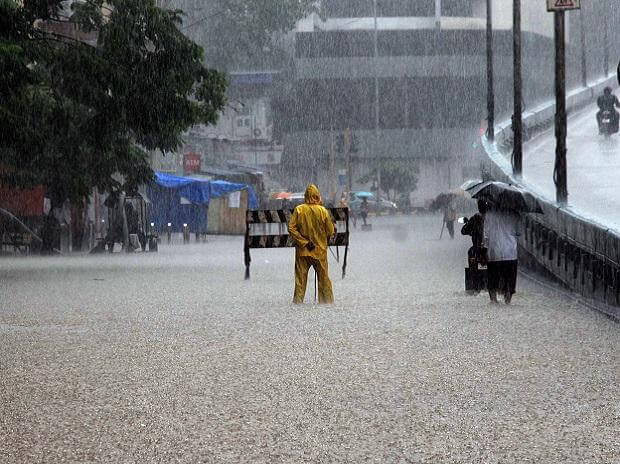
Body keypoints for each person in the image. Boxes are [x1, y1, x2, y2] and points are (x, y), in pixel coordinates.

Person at [288, 184, 335, 304]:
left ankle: (298, 304)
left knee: (300, 281)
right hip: (320, 252)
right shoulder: (323, 211)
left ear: (305, 196)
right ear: (317, 196)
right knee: (324, 280)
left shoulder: (299, 210)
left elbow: (291, 228)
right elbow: (330, 231)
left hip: (302, 252)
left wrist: (304, 242)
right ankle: (327, 304)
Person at [484, 204, 521, 305]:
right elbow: (518, 233)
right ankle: (508, 301)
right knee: (510, 278)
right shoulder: (514, 214)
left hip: (494, 252)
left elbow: (486, 234)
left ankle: (493, 300)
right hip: (510, 252)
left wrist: (485, 249)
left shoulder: (489, 214)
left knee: (492, 278)